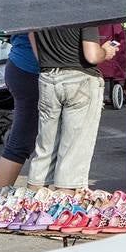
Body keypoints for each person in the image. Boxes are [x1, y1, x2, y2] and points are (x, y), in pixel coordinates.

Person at [27, 24, 116, 190]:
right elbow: (91, 55)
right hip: (80, 79)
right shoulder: (84, 6)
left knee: (44, 152)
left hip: (48, 77)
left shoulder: (36, 4)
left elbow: (33, 39)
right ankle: (63, 211)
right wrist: (106, 51)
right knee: (72, 158)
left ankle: (32, 209)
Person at [0, 32, 39, 187]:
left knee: (22, 139)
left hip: (21, 66)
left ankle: (0, 198)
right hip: (30, 70)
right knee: (21, 141)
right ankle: (0, 199)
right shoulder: (36, 11)